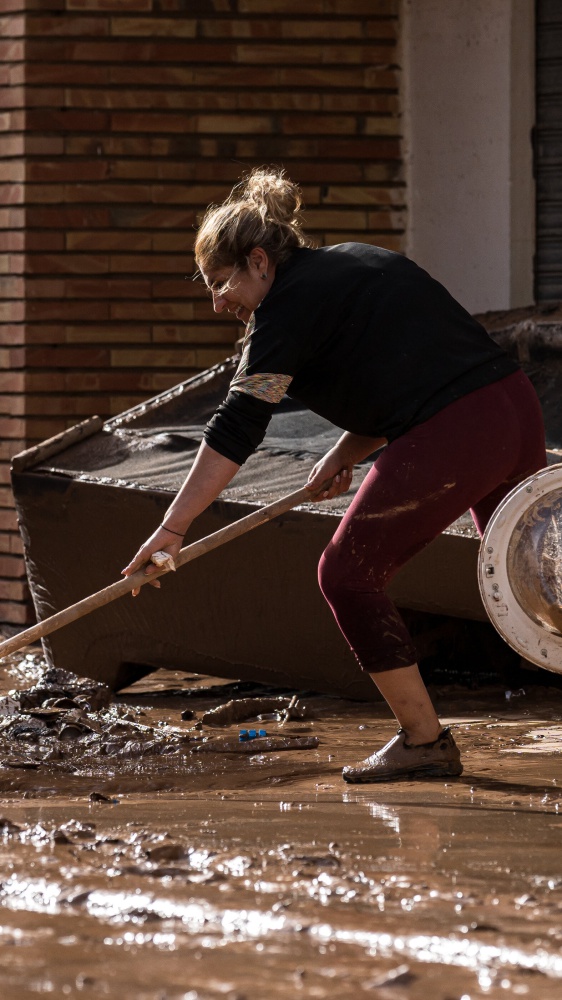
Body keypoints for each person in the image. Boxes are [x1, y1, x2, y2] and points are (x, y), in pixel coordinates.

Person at [122, 166, 547, 783]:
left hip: (460, 431)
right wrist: (347, 451)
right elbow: (409, 370)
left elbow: (238, 426)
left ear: (260, 262)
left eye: (220, 284)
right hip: (512, 409)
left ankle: (423, 742)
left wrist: (172, 528)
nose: (218, 303)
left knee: (346, 576)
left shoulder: (281, 316)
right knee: (535, 586)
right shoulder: (359, 262)